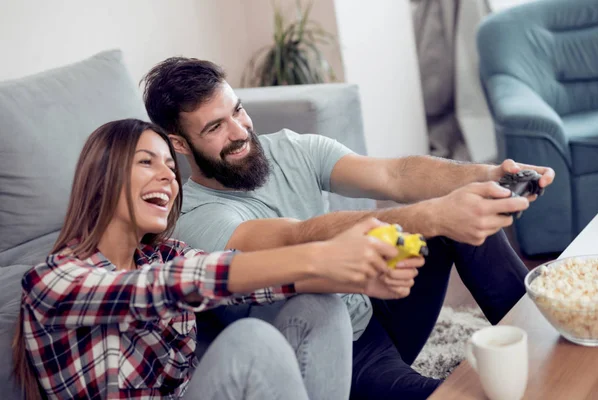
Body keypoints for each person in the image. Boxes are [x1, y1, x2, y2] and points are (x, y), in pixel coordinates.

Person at [141, 57, 557, 400]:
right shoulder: (193, 220)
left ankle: (545, 343)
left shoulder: (288, 148)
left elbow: (395, 174)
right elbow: (297, 236)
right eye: (215, 128)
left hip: (376, 305)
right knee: (451, 395)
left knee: (463, 223)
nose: (240, 131)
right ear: (180, 144)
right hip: (335, 354)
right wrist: (433, 213)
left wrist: (487, 174)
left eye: (237, 110)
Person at [12, 119, 418, 400]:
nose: (169, 177)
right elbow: (179, 283)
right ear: (102, 174)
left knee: (320, 303)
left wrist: (359, 275)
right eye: (146, 162)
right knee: (251, 342)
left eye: (171, 166)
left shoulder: (165, 255)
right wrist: (325, 255)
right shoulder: (55, 281)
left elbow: (252, 282)